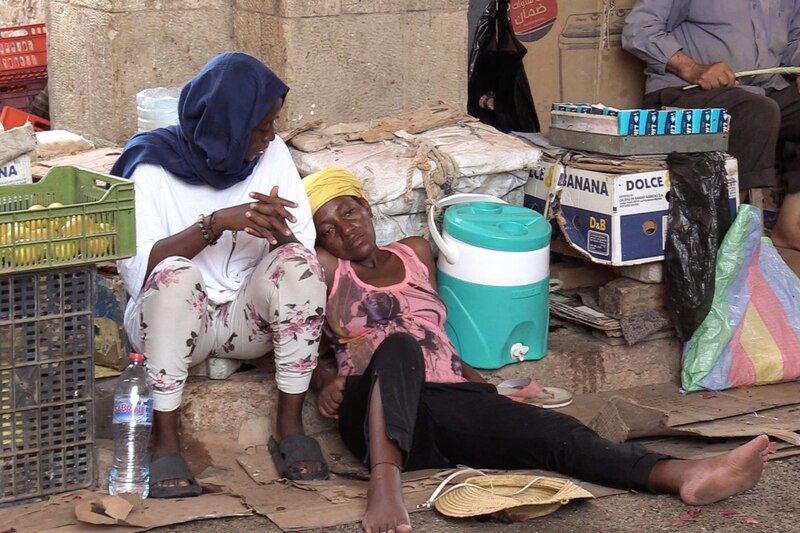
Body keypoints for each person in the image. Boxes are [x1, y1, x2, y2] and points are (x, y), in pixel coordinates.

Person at [302, 167, 772, 533]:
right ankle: (385, 486)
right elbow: (289, 324)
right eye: (327, 228)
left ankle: (681, 475)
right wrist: (323, 380)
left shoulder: (415, 253)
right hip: (375, 411)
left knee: (555, 432)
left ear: (365, 208)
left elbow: (438, 337)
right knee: (399, 346)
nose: (343, 230)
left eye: (347, 212)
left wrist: (482, 390)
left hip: (444, 406)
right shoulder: (326, 270)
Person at [111, 52, 328, 498]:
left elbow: (300, 250)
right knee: (174, 274)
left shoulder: (272, 154)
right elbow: (141, 274)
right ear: (225, 124)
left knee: (301, 265)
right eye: (261, 127)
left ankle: (290, 424)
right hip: (171, 329)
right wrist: (217, 223)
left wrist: (278, 231)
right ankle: (165, 438)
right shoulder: (148, 165)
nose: (270, 138)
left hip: (244, 323)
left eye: (272, 126)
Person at [622, 0, 800, 249]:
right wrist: (693, 68)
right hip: (685, 91)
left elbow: (794, 40)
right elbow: (639, 29)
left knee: (760, 106)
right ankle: (726, 243)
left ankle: (792, 227)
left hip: (763, 90)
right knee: (756, 112)